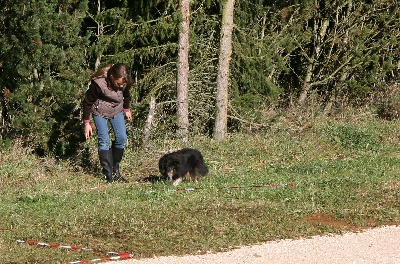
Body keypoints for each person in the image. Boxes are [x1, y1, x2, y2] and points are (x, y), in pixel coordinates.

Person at [82, 63, 132, 183]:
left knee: (122, 138)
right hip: (100, 111)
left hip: (116, 110)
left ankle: (116, 171)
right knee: (104, 140)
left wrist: (126, 109)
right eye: (119, 83)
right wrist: (87, 123)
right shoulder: (98, 84)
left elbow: (126, 95)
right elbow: (87, 102)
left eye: (123, 84)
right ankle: (108, 174)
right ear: (111, 77)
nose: (121, 86)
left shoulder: (125, 81)